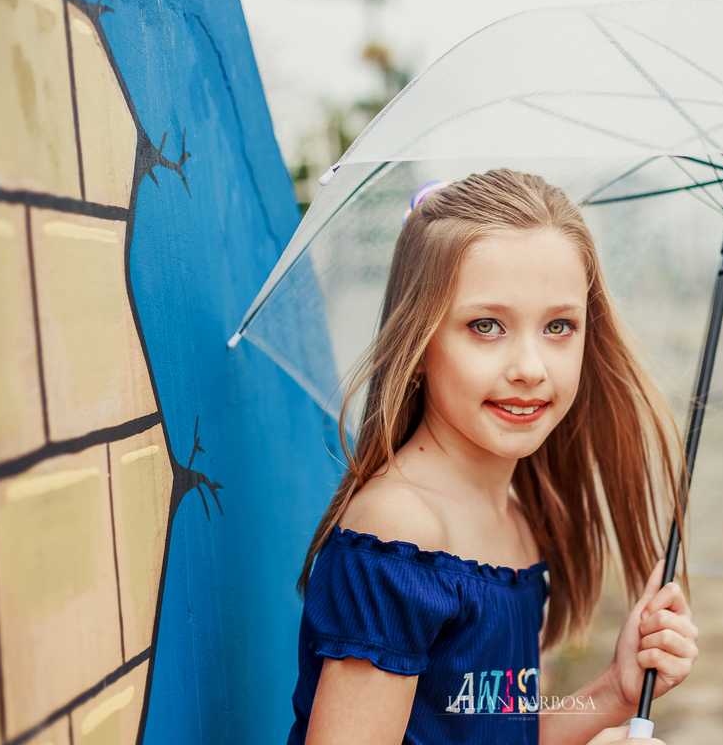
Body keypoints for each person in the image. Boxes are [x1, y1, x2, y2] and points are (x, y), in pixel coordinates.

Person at [287, 169, 698, 745]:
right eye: (486, 325)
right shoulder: (401, 534)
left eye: (559, 325)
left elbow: (494, 732)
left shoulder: (517, 524)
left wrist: (614, 692)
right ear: (419, 340)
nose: (530, 366)